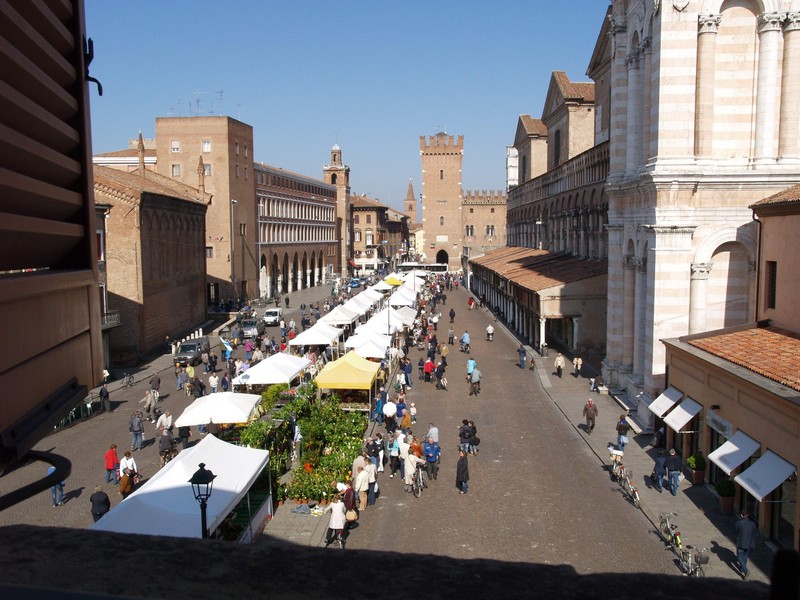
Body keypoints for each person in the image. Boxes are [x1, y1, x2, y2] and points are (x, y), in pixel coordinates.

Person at [734, 511, 759, 580]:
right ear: (747, 515)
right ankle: (743, 568)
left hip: (741, 542)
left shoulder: (738, 523)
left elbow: (735, 531)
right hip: (748, 543)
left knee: (739, 556)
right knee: (745, 555)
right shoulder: (752, 523)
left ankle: (745, 570)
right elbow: (754, 532)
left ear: (741, 515)